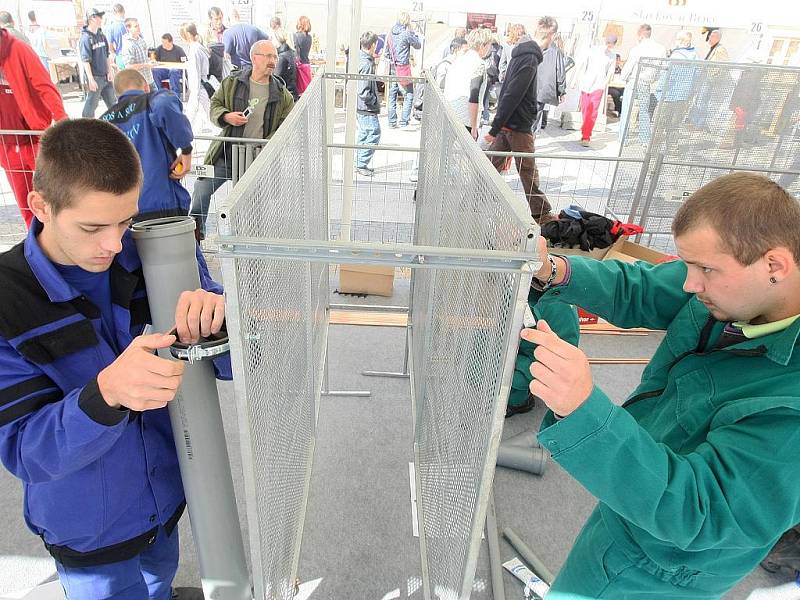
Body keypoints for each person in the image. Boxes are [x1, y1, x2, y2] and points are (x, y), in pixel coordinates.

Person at [521, 172, 800, 598]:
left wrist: (584, 412)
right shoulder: (732, 286)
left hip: (665, 567)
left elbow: (699, 511)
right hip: (636, 484)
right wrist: (554, 269)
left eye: (705, 269)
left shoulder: (791, 409)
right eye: (688, 264)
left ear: (775, 264)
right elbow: (643, 289)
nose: (691, 285)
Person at [0, 117, 228, 599]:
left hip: (165, 509)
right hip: (89, 537)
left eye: (124, 220)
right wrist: (105, 396)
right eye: (92, 226)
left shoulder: (151, 250)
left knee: (158, 584)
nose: (113, 243)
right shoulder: (6, 301)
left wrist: (220, 318)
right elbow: (25, 450)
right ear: (40, 206)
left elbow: (228, 362)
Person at [189, 40, 294, 238]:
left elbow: (285, 126)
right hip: (226, 152)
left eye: (275, 57)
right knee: (201, 189)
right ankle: (196, 234)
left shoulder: (281, 93)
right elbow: (215, 105)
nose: (272, 61)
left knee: (251, 205)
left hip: (255, 159)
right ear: (255, 58)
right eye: (268, 56)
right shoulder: (233, 82)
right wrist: (226, 116)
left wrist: (267, 146)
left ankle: (246, 239)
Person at [483, 17, 558, 225]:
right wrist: (496, 126)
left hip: (510, 123)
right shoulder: (530, 57)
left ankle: (471, 200)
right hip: (517, 125)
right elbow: (513, 93)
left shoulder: (520, 52)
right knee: (528, 171)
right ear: (550, 35)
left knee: (490, 165)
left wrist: (498, 124)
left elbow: (508, 90)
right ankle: (542, 215)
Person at [100, 69, 193, 222]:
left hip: (124, 212)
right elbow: (165, 104)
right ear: (146, 87)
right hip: (162, 203)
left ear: (117, 95)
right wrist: (186, 150)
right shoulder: (152, 101)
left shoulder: (104, 120)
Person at [0, 27, 67, 227]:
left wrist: (60, 116)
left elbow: (43, 84)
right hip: (7, 144)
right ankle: (34, 248)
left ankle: (59, 244)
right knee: (25, 205)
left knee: (51, 199)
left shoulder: (19, 49)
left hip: (35, 138)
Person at [618, 23, 667, 142]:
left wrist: (622, 78)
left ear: (640, 35)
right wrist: (654, 79)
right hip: (647, 83)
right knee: (644, 110)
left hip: (634, 81)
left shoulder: (637, 49)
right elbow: (663, 67)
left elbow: (629, 66)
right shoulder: (660, 49)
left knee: (627, 110)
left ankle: (623, 137)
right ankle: (644, 138)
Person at [443, 27, 494, 138]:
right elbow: (473, 96)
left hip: (450, 113)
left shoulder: (459, 59)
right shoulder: (479, 64)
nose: (490, 49)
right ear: (482, 46)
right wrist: (474, 127)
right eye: (489, 46)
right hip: (465, 119)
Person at [577, 34, 617, 147]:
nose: (608, 46)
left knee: (592, 111)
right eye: (607, 43)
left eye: (611, 44)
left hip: (599, 85)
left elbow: (611, 71)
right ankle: (585, 131)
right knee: (585, 110)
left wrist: (604, 84)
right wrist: (576, 80)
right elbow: (582, 64)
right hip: (586, 84)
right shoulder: (592, 50)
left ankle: (586, 136)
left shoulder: (612, 56)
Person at [384, 11, 421, 129]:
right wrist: (413, 33)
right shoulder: (406, 33)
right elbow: (418, 45)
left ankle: (391, 121)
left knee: (392, 95)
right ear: (407, 21)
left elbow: (386, 53)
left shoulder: (390, 33)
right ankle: (404, 121)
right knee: (409, 94)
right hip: (403, 68)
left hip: (392, 67)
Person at [80, 8, 116, 118]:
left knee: (113, 104)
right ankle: (85, 127)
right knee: (91, 105)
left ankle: (118, 127)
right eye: (98, 16)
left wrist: (109, 72)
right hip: (95, 77)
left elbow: (107, 55)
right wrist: (90, 79)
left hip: (105, 76)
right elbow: (86, 61)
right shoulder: (85, 38)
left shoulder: (102, 35)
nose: (101, 19)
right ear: (91, 18)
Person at [179, 22, 215, 134]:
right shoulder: (199, 47)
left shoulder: (194, 50)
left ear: (187, 34)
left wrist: (194, 94)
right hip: (202, 87)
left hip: (199, 89)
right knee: (200, 120)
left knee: (206, 119)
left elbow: (195, 73)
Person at [354, 32, 381, 177]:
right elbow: (363, 91)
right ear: (373, 45)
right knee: (374, 133)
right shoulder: (366, 63)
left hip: (361, 106)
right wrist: (374, 101)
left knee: (364, 134)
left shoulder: (360, 58)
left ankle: (359, 163)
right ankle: (361, 163)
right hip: (366, 107)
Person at [535, 30, 567, 130]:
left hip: (531, 84)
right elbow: (560, 73)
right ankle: (529, 138)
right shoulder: (557, 51)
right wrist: (562, 91)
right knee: (536, 114)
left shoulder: (535, 47)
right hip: (545, 87)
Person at [120, 17, 155, 89]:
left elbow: (146, 57)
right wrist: (145, 65)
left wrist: (151, 61)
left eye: (138, 25)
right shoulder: (128, 44)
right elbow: (129, 66)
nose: (139, 28)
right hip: (138, 83)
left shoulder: (141, 40)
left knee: (157, 99)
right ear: (128, 28)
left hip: (149, 79)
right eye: (136, 26)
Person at [273, 29, 298, 100]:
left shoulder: (282, 58)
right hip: (291, 92)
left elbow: (275, 79)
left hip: (285, 95)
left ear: (277, 39)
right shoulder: (290, 52)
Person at [294, 16, 313, 94]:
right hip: (307, 66)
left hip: (299, 67)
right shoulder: (309, 37)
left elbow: (296, 54)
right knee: (307, 92)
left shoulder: (296, 36)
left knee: (299, 94)